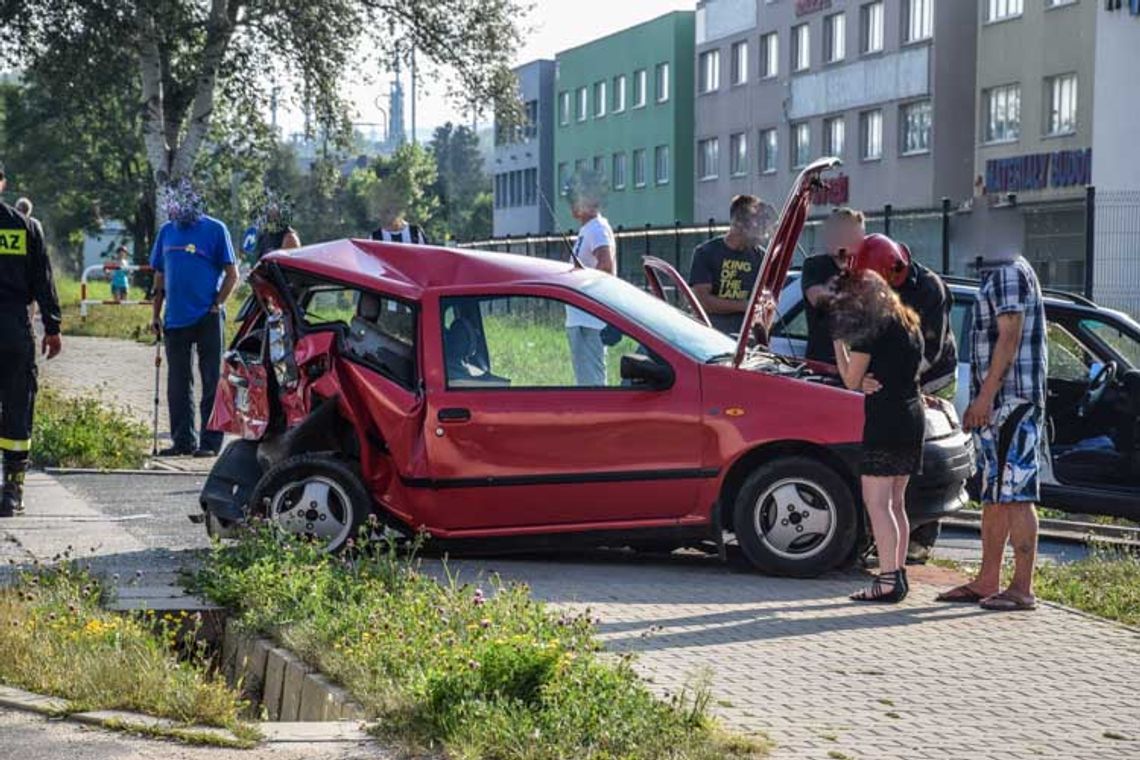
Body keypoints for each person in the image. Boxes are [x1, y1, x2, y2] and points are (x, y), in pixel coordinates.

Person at [937, 249, 1047, 612]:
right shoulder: (1004, 272)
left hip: (1010, 401)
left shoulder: (1009, 273)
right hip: (1002, 402)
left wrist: (984, 398)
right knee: (996, 493)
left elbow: (1009, 337)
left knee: (1015, 493)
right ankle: (988, 579)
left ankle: (1021, 587)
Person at [831, 270, 925, 603]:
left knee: (876, 503)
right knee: (896, 503)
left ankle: (887, 580)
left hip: (886, 418)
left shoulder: (871, 329)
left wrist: (838, 341)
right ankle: (896, 574)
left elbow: (850, 379)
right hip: (913, 415)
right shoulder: (908, 322)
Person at [149, 178, 239, 458]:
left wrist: (218, 303)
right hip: (174, 318)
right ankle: (182, 441)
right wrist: (155, 314)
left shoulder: (215, 229)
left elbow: (232, 273)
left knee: (211, 380)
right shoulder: (166, 232)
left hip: (207, 317)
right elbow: (160, 275)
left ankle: (210, 443)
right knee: (178, 383)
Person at [0, 165, 62, 517]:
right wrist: (52, 326)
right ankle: (13, 492)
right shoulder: (24, 226)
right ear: (3, 184)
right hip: (12, 328)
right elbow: (43, 279)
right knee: (17, 407)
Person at [852, 234, 958, 401]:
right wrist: (867, 376)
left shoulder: (930, 290)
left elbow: (930, 351)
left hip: (934, 380)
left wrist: (886, 378)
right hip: (896, 377)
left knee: (927, 425)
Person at [688, 195, 774, 335]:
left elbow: (767, 303)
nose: (763, 233)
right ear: (738, 223)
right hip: (710, 338)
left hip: (746, 340)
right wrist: (746, 306)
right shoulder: (706, 253)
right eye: (758, 223)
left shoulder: (761, 257)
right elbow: (702, 302)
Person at [565, 182, 616, 386]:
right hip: (580, 319)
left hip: (590, 320)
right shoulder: (588, 229)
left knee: (592, 384)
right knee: (584, 382)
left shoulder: (597, 228)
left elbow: (605, 266)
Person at [802, 208, 863, 363]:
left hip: (857, 362)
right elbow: (817, 298)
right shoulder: (815, 265)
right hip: (823, 360)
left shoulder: (864, 268)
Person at [253, 190, 301, 261]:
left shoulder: (289, 237)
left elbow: (291, 266)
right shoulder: (263, 236)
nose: (270, 210)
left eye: (273, 206)